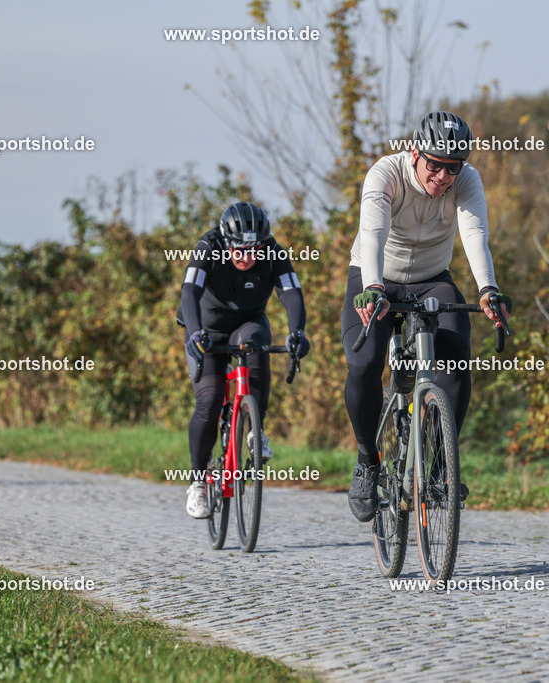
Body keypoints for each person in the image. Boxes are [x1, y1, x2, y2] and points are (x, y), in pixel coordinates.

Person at [341, 111, 511, 522]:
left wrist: (488, 289)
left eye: (451, 167)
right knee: (364, 364)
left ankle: (440, 470)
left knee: (455, 360)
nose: (441, 175)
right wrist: (375, 286)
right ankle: (368, 461)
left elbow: (474, 234)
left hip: (432, 279)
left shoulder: (466, 180)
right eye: (433, 164)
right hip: (374, 276)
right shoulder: (385, 174)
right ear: (414, 153)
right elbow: (374, 232)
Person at [178, 202, 310, 519]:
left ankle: (255, 429)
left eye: (253, 250)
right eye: (238, 250)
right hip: (206, 328)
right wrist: (195, 333)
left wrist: (297, 333)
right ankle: (198, 480)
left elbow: (291, 292)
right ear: (226, 241)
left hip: (247, 324)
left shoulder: (273, 252)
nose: (245, 257)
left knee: (256, 346)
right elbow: (189, 291)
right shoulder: (208, 245)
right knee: (209, 401)